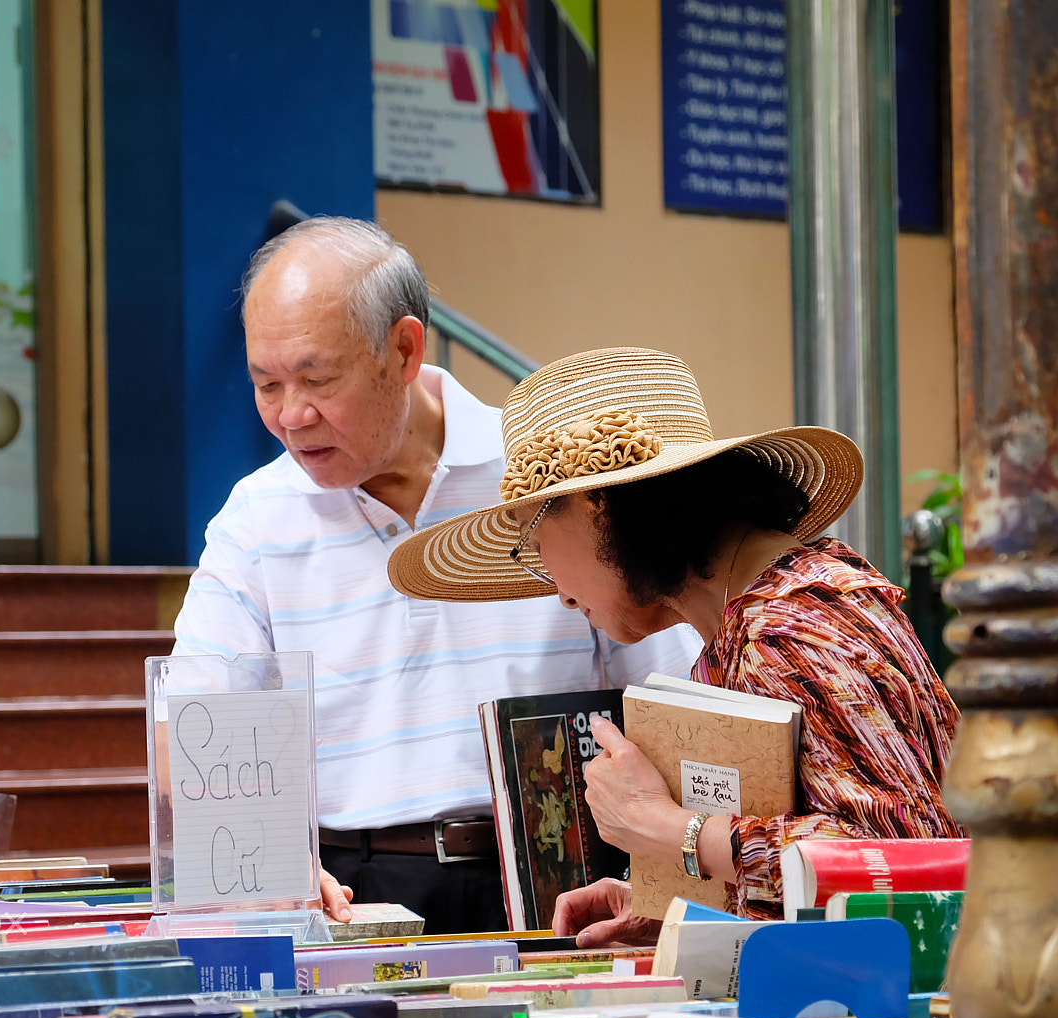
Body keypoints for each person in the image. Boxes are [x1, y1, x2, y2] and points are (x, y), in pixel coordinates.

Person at [171, 224, 702, 934]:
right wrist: (265, 855)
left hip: (561, 885)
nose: (292, 416)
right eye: (266, 385)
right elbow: (192, 724)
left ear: (405, 349)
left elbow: (673, 701)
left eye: (318, 379)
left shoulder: (547, 482)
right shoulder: (257, 517)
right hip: (350, 894)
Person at [387, 347, 961, 943]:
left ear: (595, 507)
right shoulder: (761, 616)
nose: (553, 588)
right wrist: (668, 905)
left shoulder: (788, 625)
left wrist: (664, 829)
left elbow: (892, 864)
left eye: (532, 541)